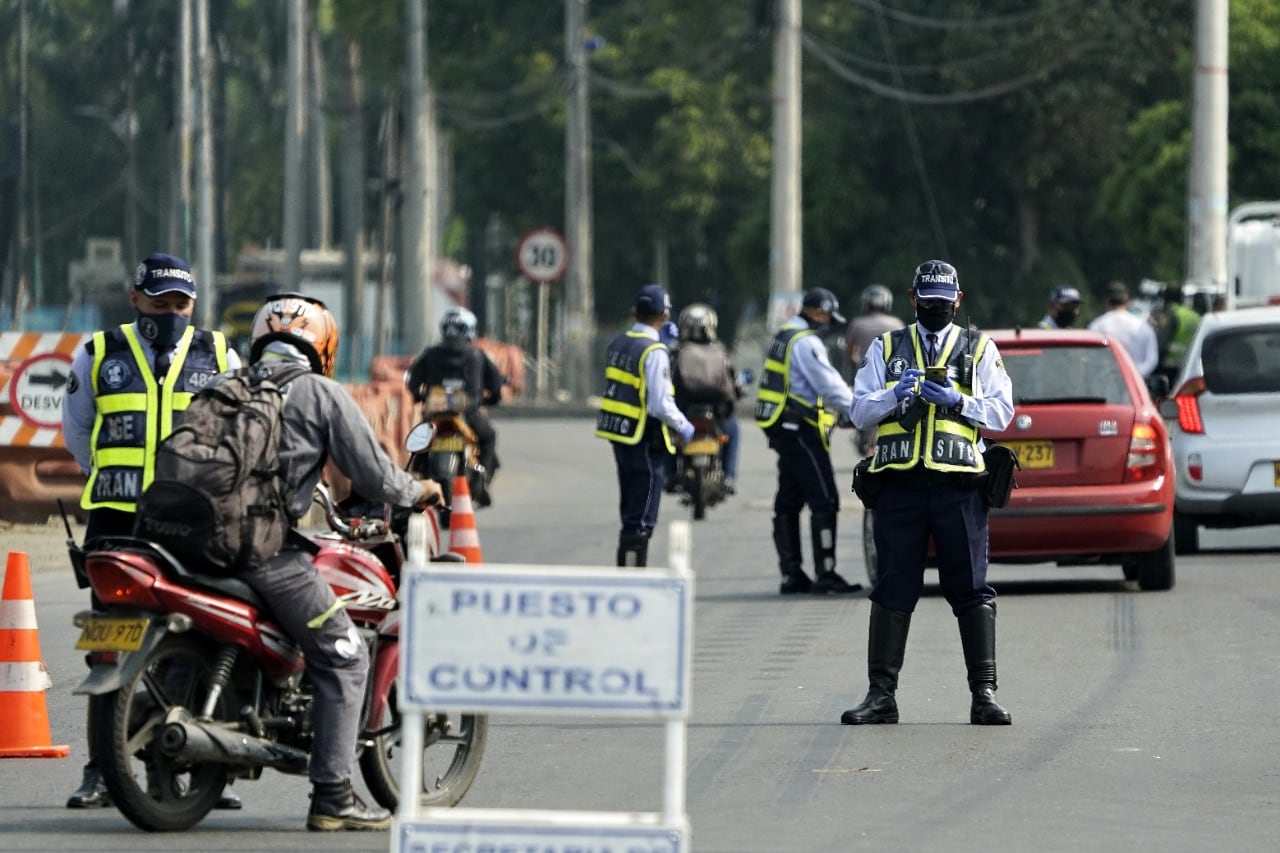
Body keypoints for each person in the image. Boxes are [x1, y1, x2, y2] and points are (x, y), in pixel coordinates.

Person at [241, 293, 443, 830]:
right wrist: (419, 487)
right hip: (260, 547)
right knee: (346, 657)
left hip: (184, 542)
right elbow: (377, 477)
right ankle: (333, 794)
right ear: (323, 345)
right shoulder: (319, 393)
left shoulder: (224, 384)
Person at [61, 252, 242, 810]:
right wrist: (115, 479)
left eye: (179, 303)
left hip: (193, 521)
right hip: (117, 520)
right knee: (110, 644)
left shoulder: (219, 355)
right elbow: (78, 431)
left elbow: (241, 431)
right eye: (158, 301)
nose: (169, 311)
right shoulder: (97, 353)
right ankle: (101, 772)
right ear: (135, 298)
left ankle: (203, 765)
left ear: (194, 304)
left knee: (202, 637)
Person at [844, 259, 1015, 726]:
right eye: (928, 302)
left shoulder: (979, 349)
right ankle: (881, 696)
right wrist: (897, 395)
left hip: (960, 487)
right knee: (892, 589)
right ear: (911, 299)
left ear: (958, 301)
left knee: (972, 589)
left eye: (944, 303)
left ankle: (984, 695)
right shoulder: (887, 347)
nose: (936, 310)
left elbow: (1002, 413)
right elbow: (858, 411)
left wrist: (958, 400)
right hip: (900, 486)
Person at [755, 287, 862, 596]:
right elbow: (830, 387)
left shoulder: (785, 334)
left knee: (788, 499)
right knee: (825, 498)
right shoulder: (806, 343)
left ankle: (791, 574)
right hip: (798, 428)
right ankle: (825, 573)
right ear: (817, 312)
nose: (829, 323)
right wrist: (860, 409)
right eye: (828, 316)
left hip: (783, 426)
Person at [595, 284, 695, 568]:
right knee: (642, 516)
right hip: (645, 438)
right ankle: (632, 576)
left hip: (621, 434)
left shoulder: (618, 343)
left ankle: (627, 571)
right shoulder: (654, 352)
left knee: (630, 507)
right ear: (665, 316)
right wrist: (684, 426)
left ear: (633, 313)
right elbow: (660, 404)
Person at [405, 306, 504, 506]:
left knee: (420, 446)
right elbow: (495, 386)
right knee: (488, 436)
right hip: (469, 414)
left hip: (435, 414)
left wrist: (419, 396)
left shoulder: (431, 353)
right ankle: (483, 478)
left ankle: (421, 472)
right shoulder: (478, 355)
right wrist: (490, 398)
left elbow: (412, 380)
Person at [670, 303, 742, 493]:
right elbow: (733, 382)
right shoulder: (721, 352)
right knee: (733, 431)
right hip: (716, 412)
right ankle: (729, 476)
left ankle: (669, 474)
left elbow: (666, 382)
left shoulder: (676, 353)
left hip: (683, 411)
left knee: (667, 434)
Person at [844, 284, 904, 454]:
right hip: (893, 375)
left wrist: (855, 363)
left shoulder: (857, 324)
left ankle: (865, 440)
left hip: (866, 373)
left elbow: (849, 352)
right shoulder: (896, 323)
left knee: (863, 407)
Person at [1087, 281, 1159, 377]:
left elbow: (1089, 357)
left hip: (1104, 383)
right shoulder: (1143, 327)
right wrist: (1135, 377)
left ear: (1105, 301)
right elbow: (1152, 360)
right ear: (1127, 302)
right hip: (1135, 385)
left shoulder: (1096, 326)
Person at [1154, 283, 1201, 384]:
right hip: (1192, 368)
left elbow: (1161, 345)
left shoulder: (1171, 315)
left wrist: (1155, 368)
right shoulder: (1195, 316)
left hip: (1170, 369)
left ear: (1165, 299)